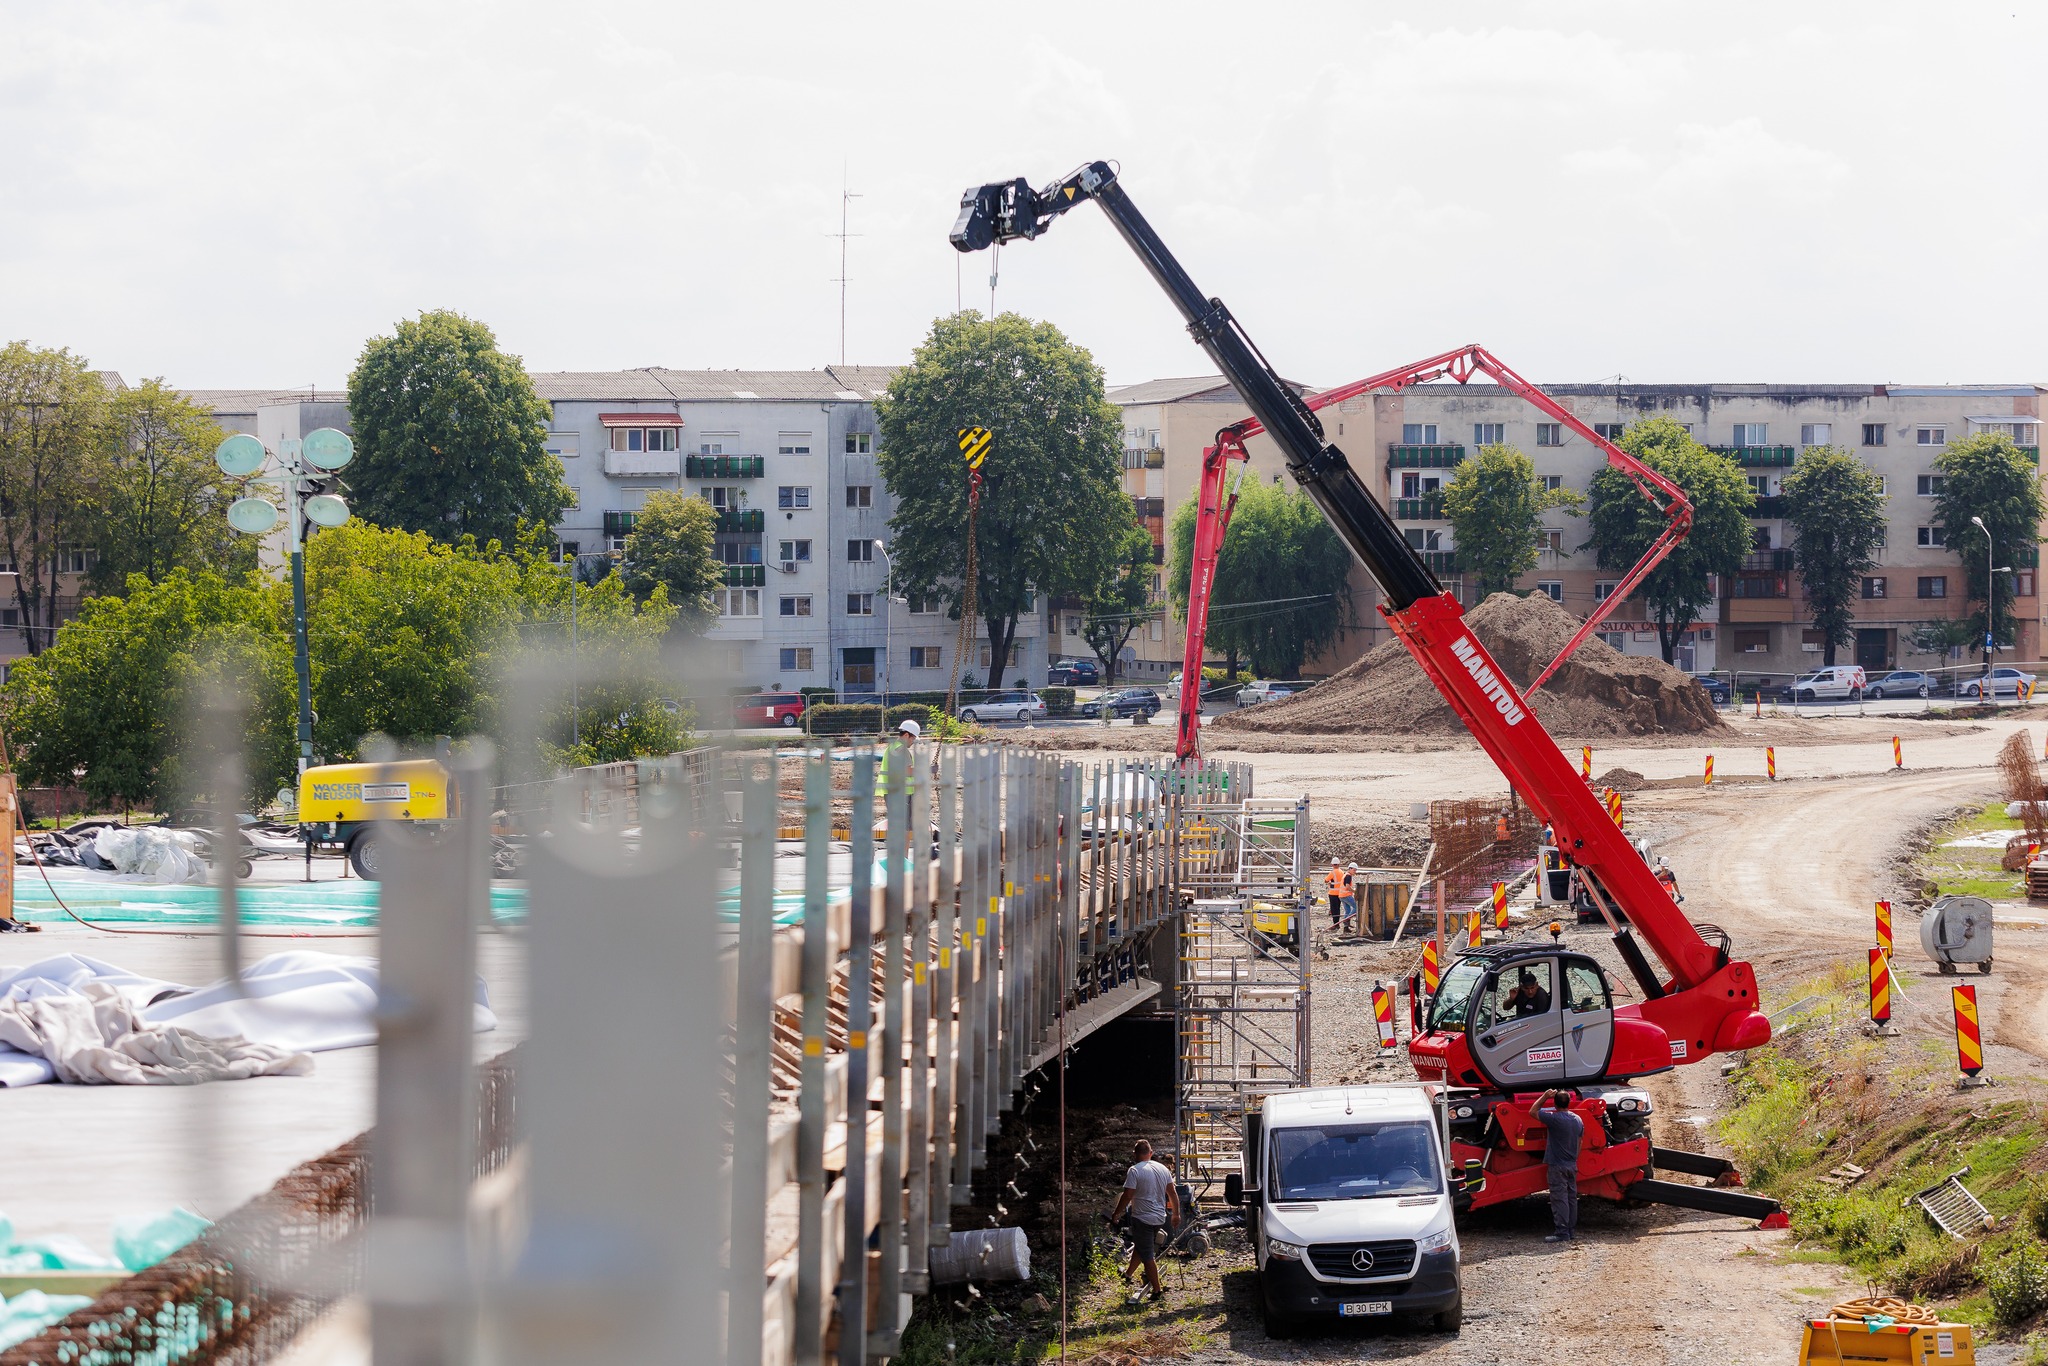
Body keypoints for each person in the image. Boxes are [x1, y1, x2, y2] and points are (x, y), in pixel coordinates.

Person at [1111, 1139, 1180, 1304]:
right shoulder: (1163, 1168)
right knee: (1142, 1245)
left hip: (1143, 1218)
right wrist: (1176, 1214)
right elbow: (1172, 1193)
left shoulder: (1134, 1170)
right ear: (1151, 1153)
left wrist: (1117, 1213)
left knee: (1147, 1254)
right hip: (1159, 1218)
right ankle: (1128, 1274)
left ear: (1134, 1154)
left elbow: (1127, 1195)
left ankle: (1157, 1290)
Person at [1532, 1089, 1582, 1242]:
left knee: (1559, 1198)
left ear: (1555, 1104)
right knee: (1571, 1198)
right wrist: (1574, 1158)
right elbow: (1580, 1142)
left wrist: (1544, 1096)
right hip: (1571, 1164)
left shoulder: (1554, 1119)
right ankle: (1571, 1231)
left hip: (1557, 1165)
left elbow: (1533, 1111)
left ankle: (1562, 1233)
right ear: (1569, 1103)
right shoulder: (1577, 1119)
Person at [1340, 863, 1359, 933]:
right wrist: (1354, 891)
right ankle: (1346, 920)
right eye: (1354, 870)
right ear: (1350, 869)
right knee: (1357, 907)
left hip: (1341, 895)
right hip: (1346, 895)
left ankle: (1346, 928)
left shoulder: (1345, 875)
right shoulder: (1348, 876)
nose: (1355, 872)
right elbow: (1347, 886)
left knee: (1347, 911)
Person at [1325, 861, 1343, 929]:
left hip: (1333, 893)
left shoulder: (1332, 872)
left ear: (1332, 864)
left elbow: (1326, 880)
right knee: (1338, 909)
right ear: (1339, 864)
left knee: (1334, 909)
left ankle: (1335, 924)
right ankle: (1337, 924)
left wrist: (1330, 882)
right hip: (1340, 893)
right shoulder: (1342, 872)